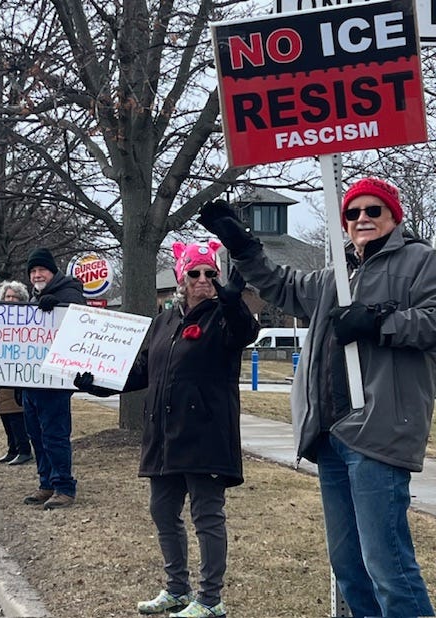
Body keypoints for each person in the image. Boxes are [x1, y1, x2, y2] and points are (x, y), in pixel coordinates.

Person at [197, 177, 436, 618]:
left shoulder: (421, 261)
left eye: (373, 210)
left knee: (388, 567)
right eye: (353, 213)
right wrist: (242, 246)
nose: (362, 219)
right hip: (330, 435)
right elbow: (281, 285)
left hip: (378, 431)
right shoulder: (335, 276)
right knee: (349, 567)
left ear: (394, 216)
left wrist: (378, 322)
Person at [74, 240, 258, 618]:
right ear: (181, 278)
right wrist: (98, 383)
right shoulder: (165, 321)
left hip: (206, 435)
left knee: (207, 516)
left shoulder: (223, 318)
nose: (203, 279)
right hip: (164, 436)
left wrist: (233, 301)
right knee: (162, 511)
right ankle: (177, 589)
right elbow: (142, 370)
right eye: (195, 273)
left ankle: (210, 599)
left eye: (210, 273)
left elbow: (245, 332)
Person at [22, 247, 86, 510]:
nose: (37, 275)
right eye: (33, 271)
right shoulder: (34, 298)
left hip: (55, 381)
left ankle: (64, 487)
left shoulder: (69, 292)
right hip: (31, 380)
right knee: (36, 435)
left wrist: (58, 307)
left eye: (42, 270)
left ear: (52, 271)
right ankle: (46, 483)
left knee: (54, 435)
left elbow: (80, 319)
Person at [0, 281, 33, 465]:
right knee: (4, 413)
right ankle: (12, 449)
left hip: (16, 374)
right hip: (0, 372)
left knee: (15, 414)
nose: (11, 299)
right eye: (8, 296)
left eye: (15, 297)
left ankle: (24, 450)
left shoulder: (28, 320)